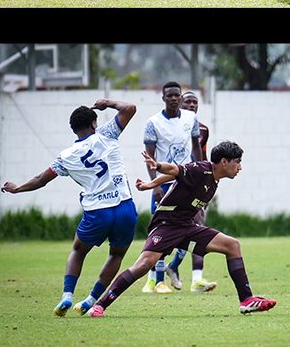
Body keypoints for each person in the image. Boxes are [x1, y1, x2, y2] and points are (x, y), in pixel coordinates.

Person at [86, 140, 276, 317]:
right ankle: (100, 305)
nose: (240, 167)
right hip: (166, 225)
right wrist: (157, 166)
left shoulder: (214, 180)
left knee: (232, 245)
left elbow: (174, 177)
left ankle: (246, 300)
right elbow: (175, 170)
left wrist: (149, 184)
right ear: (224, 162)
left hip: (187, 227)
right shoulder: (201, 169)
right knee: (144, 265)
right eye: (238, 162)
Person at [1, 97, 138, 316]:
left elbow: (40, 179)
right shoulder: (107, 134)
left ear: (73, 129)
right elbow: (130, 108)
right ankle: (91, 300)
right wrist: (107, 103)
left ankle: (67, 296)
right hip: (124, 207)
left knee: (78, 250)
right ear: (94, 124)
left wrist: (17, 189)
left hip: (97, 211)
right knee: (116, 255)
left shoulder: (65, 157)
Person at [140, 80, 202, 293]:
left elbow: (196, 148)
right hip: (164, 183)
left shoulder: (191, 118)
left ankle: (175, 268)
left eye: (177, 95)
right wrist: (154, 185)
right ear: (164, 98)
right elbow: (150, 156)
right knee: (160, 230)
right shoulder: (153, 123)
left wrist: (201, 174)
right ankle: (157, 280)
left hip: (187, 182)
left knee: (193, 226)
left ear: (181, 97)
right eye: (170, 95)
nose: (174, 98)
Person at [166, 90, 218, 293]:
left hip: (194, 184)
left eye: (195, 102)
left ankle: (196, 279)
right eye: (188, 101)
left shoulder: (203, 129)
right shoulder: (169, 126)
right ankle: (157, 277)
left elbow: (202, 156)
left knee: (198, 229)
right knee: (168, 228)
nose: (192, 105)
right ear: (179, 103)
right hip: (172, 182)